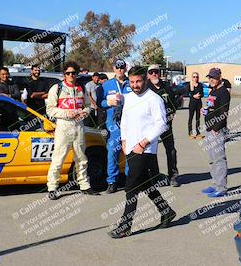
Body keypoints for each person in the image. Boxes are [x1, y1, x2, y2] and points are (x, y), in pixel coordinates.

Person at [108, 66, 176, 238]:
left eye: (138, 81)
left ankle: (125, 225)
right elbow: (124, 120)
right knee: (145, 184)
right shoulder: (129, 98)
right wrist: (124, 140)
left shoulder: (154, 99)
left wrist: (143, 142)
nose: (135, 85)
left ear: (145, 80)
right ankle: (166, 211)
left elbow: (162, 124)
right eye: (132, 82)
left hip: (145, 149)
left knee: (131, 187)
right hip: (130, 147)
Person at [46, 61, 99, 199]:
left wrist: (84, 112)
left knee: (81, 158)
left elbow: (88, 106)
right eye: (68, 73)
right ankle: (52, 187)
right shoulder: (56, 88)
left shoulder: (82, 88)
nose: (71, 75)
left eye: (73, 73)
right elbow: (50, 109)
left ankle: (84, 185)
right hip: (64, 126)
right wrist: (66, 113)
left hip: (79, 126)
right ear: (64, 74)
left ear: (77, 74)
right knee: (58, 158)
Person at [97, 59, 132, 193]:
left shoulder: (131, 83)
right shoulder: (107, 85)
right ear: (113, 68)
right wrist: (108, 102)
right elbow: (99, 103)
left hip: (130, 123)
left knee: (129, 152)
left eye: (122, 67)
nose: (120, 69)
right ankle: (112, 182)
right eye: (117, 67)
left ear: (125, 68)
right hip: (113, 124)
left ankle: (130, 180)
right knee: (112, 153)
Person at [146, 64, 180, 187]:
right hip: (151, 127)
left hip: (165, 125)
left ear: (159, 73)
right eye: (151, 72)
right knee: (151, 152)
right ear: (148, 75)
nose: (154, 74)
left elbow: (174, 104)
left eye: (156, 72)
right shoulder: (146, 89)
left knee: (171, 150)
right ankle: (154, 177)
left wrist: (170, 117)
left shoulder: (166, 87)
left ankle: (173, 176)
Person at [201, 68, 231, 197]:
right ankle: (215, 184)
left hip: (216, 130)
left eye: (213, 77)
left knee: (219, 159)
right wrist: (205, 110)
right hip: (209, 128)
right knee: (212, 159)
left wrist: (216, 128)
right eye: (209, 77)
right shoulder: (212, 91)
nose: (211, 80)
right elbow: (212, 107)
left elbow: (224, 112)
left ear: (219, 77)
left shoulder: (223, 92)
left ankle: (221, 187)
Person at [187, 72, 204, 139]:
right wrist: (194, 96)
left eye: (196, 77)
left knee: (198, 118)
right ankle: (190, 133)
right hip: (192, 104)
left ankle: (198, 133)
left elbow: (202, 94)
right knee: (190, 118)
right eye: (194, 77)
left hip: (199, 104)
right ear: (192, 77)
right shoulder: (189, 85)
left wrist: (199, 95)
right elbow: (187, 94)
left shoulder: (200, 85)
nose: (195, 78)